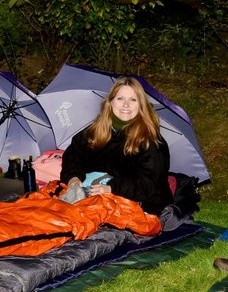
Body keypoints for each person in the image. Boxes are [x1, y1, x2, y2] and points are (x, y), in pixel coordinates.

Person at [60, 76, 173, 215]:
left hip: (142, 204)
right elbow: (73, 155)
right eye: (120, 99)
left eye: (133, 99)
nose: (126, 105)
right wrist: (73, 177)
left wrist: (111, 189)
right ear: (110, 102)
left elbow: (148, 184)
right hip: (95, 194)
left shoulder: (152, 142)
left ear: (141, 105)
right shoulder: (95, 132)